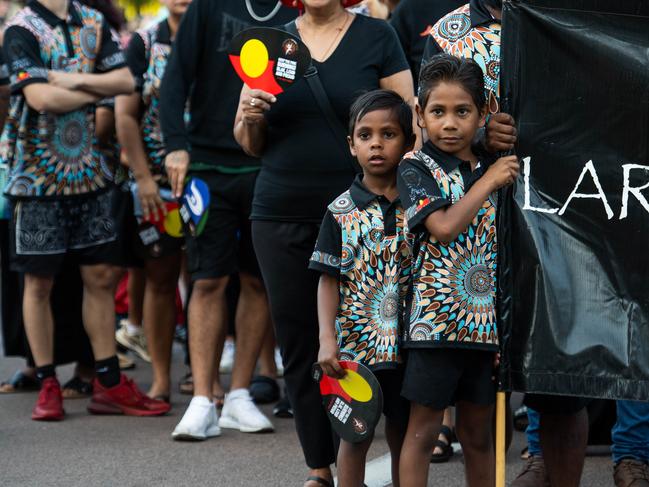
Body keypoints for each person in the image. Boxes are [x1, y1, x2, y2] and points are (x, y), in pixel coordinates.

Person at [234, 0, 414, 484]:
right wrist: (251, 115)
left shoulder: (378, 37)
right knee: (298, 339)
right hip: (281, 212)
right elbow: (248, 140)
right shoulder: (269, 41)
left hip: (363, 215)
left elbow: (410, 129)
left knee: (371, 336)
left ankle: (364, 452)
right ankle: (319, 466)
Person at [1, 0, 169, 420]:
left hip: (92, 175)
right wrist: (95, 83)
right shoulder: (20, 29)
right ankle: (47, 383)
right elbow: (39, 98)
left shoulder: (92, 21)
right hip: (35, 178)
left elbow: (128, 80)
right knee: (38, 282)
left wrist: (64, 79)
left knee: (100, 276)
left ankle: (109, 382)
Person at [160, 0, 297, 440]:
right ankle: (202, 399)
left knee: (257, 281)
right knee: (207, 280)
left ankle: (239, 394)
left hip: (267, 166)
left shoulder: (296, 14)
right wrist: (175, 145)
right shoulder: (207, 7)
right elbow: (175, 78)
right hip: (207, 167)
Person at [396, 54, 519, 487]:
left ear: (484, 111)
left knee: (478, 435)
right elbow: (444, 227)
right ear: (419, 114)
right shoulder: (414, 169)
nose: (450, 123)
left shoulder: (492, 166)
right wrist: (488, 182)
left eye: (462, 111)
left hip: (486, 328)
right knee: (423, 431)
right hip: (434, 326)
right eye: (438, 112)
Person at [311, 89, 415, 487]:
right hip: (357, 345)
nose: (376, 143)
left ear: (408, 142)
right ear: (351, 144)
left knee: (403, 430)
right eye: (365, 135)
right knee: (356, 433)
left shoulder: (419, 204)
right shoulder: (339, 211)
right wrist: (327, 340)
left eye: (388, 134)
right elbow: (327, 278)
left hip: (409, 340)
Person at [116, 0, 192, 403]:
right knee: (161, 278)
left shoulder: (218, 37)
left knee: (206, 280)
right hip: (157, 185)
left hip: (208, 183)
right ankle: (161, 378)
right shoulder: (144, 43)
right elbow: (125, 115)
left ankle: (202, 375)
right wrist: (143, 178)